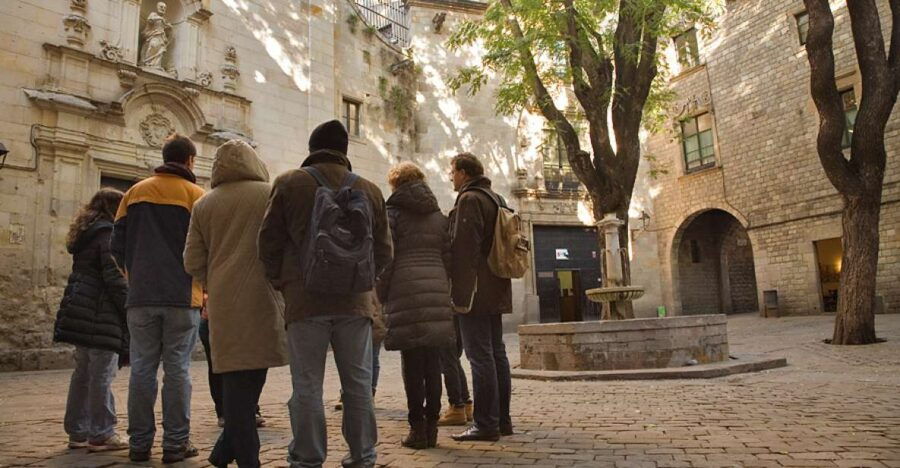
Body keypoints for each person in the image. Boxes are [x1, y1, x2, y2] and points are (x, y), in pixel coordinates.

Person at [258, 120, 392, 468]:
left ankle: (307, 457)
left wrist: (281, 281)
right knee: (359, 385)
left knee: (306, 384)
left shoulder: (289, 183)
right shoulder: (370, 189)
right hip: (356, 302)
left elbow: (268, 241)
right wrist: (360, 277)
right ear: (345, 150)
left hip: (305, 301)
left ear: (312, 147)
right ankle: (363, 455)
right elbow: (386, 251)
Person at [184, 140, 289, 468]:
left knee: (235, 385)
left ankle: (223, 452)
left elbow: (191, 261)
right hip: (265, 299)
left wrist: (214, 277)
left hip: (224, 306)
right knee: (250, 384)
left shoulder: (204, 204)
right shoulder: (269, 194)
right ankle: (246, 460)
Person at [111, 134, 205, 463]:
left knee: (142, 370)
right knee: (178, 369)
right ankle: (175, 444)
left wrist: (134, 276)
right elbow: (204, 249)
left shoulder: (133, 193)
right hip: (182, 296)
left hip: (141, 298)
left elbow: (116, 245)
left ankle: (139, 444)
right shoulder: (196, 196)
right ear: (190, 161)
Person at [376, 162, 456, 449]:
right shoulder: (438, 216)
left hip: (404, 290)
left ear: (396, 184)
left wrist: (381, 294)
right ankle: (432, 427)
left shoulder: (392, 213)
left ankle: (417, 430)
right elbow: (448, 258)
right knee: (433, 364)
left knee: (411, 365)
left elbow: (387, 257)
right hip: (435, 290)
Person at [54, 188, 129, 453]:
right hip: (100, 312)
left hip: (81, 308)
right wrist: (128, 305)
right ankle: (102, 433)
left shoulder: (87, 233)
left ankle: (78, 431)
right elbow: (113, 277)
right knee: (101, 374)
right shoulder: (107, 234)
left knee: (83, 373)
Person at [447, 152, 513, 442]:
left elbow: (464, 250)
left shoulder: (469, 199)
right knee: (497, 353)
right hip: (497, 285)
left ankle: (485, 424)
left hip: (475, 289)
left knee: (480, 356)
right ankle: (502, 420)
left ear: (463, 172)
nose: (451, 177)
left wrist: (457, 294)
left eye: (453, 172)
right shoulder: (496, 198)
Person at [437, 317, 473, 426]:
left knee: (447, 359)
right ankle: (465, 404)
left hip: (443, 313)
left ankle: (457, 406)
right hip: (453, 312)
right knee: (452, 359)